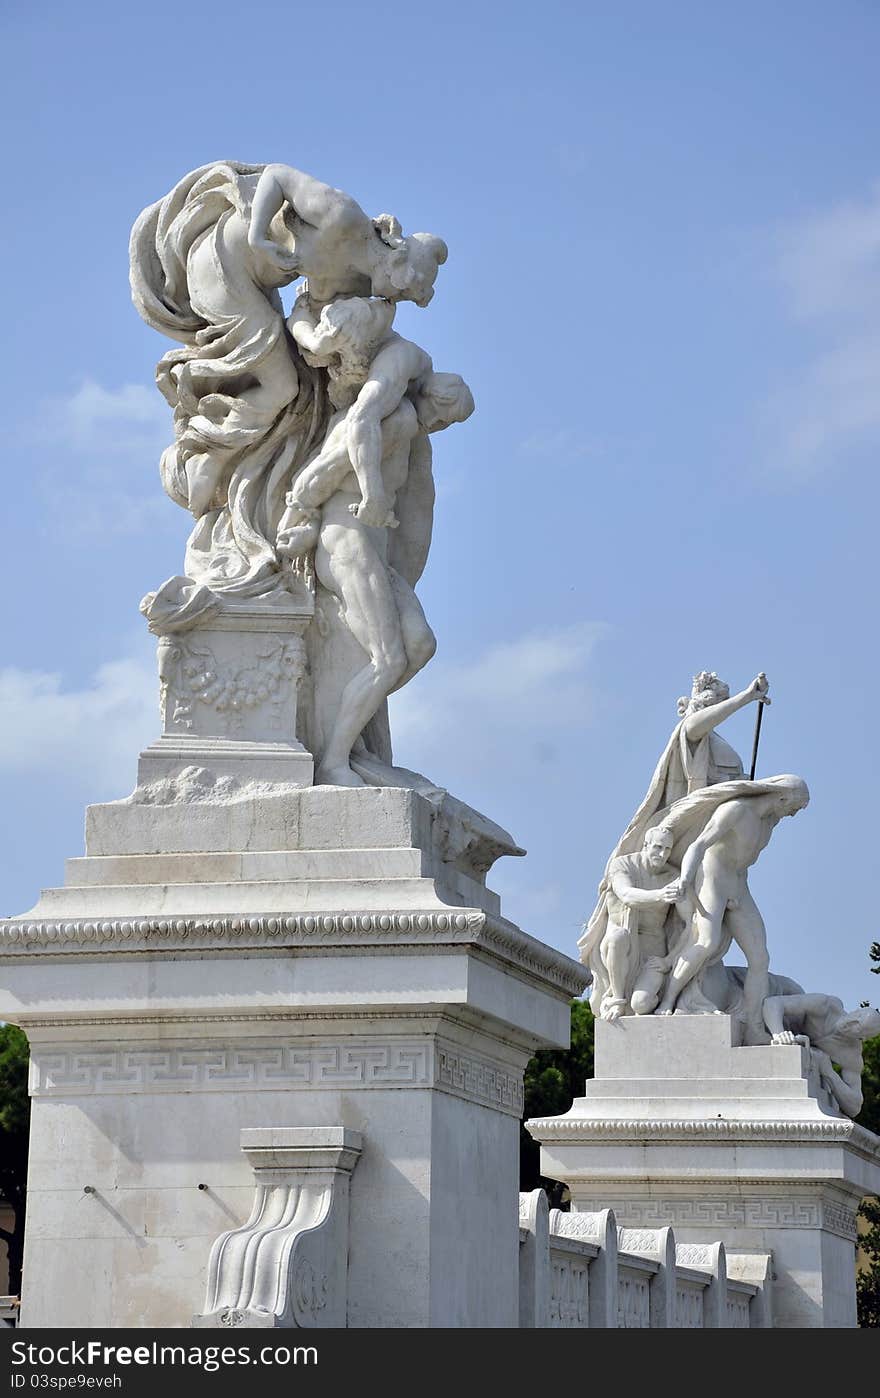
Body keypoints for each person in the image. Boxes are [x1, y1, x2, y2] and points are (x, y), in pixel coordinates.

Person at [276, 308, 474, 785]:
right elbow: (322, 472)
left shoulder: (407, 432)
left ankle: (349, 723)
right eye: (449, 418)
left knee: (419, 645)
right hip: (346, 540)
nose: (444, 428)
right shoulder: (397, 420)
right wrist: (365, 496)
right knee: (389, 659)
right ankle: (334, 759)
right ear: (439, 404)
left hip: (371, 548)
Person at [655, 774, 810, 1042]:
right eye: (795, 807)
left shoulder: (769, 820)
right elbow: (699, 845)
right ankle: (667, 1001)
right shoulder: (735, 810)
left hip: (738, 884)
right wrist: (685, 879)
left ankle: (752, 1025)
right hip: (713, 879)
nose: (794, 814)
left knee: (760, 958)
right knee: (705, 942)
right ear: (782, 797)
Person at [248, 164, 447, 309]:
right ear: (397, 261)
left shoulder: (359, 287)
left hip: (262, 291)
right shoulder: (343, 218)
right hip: (233, 252)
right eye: (403, 292)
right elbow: (276, 176)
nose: (394, 300)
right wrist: (257, 239)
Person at [586, 826, 688, 1021]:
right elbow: (626, 894)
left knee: (640, 1004)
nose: (662, 853)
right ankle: (617, 1000)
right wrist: (660, 895)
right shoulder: (622, 865)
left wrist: (669, 959)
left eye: (667, 849)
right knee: (618, 936)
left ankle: (658, 995)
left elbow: (691, 925)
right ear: (646, 845)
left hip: (652, 952)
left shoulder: (673, 877)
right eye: (657, 847)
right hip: (620, 947)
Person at [762, 993, 880, 1118]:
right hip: (785, 998)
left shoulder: (851, 1054)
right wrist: (779, 1033)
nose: (850, 1022)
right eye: (857, 1015)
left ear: (862, 1037)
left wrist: (829, 1072)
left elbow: (854, 1107)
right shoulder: (826, 1006)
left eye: (858, 1026)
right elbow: (772, 1003)